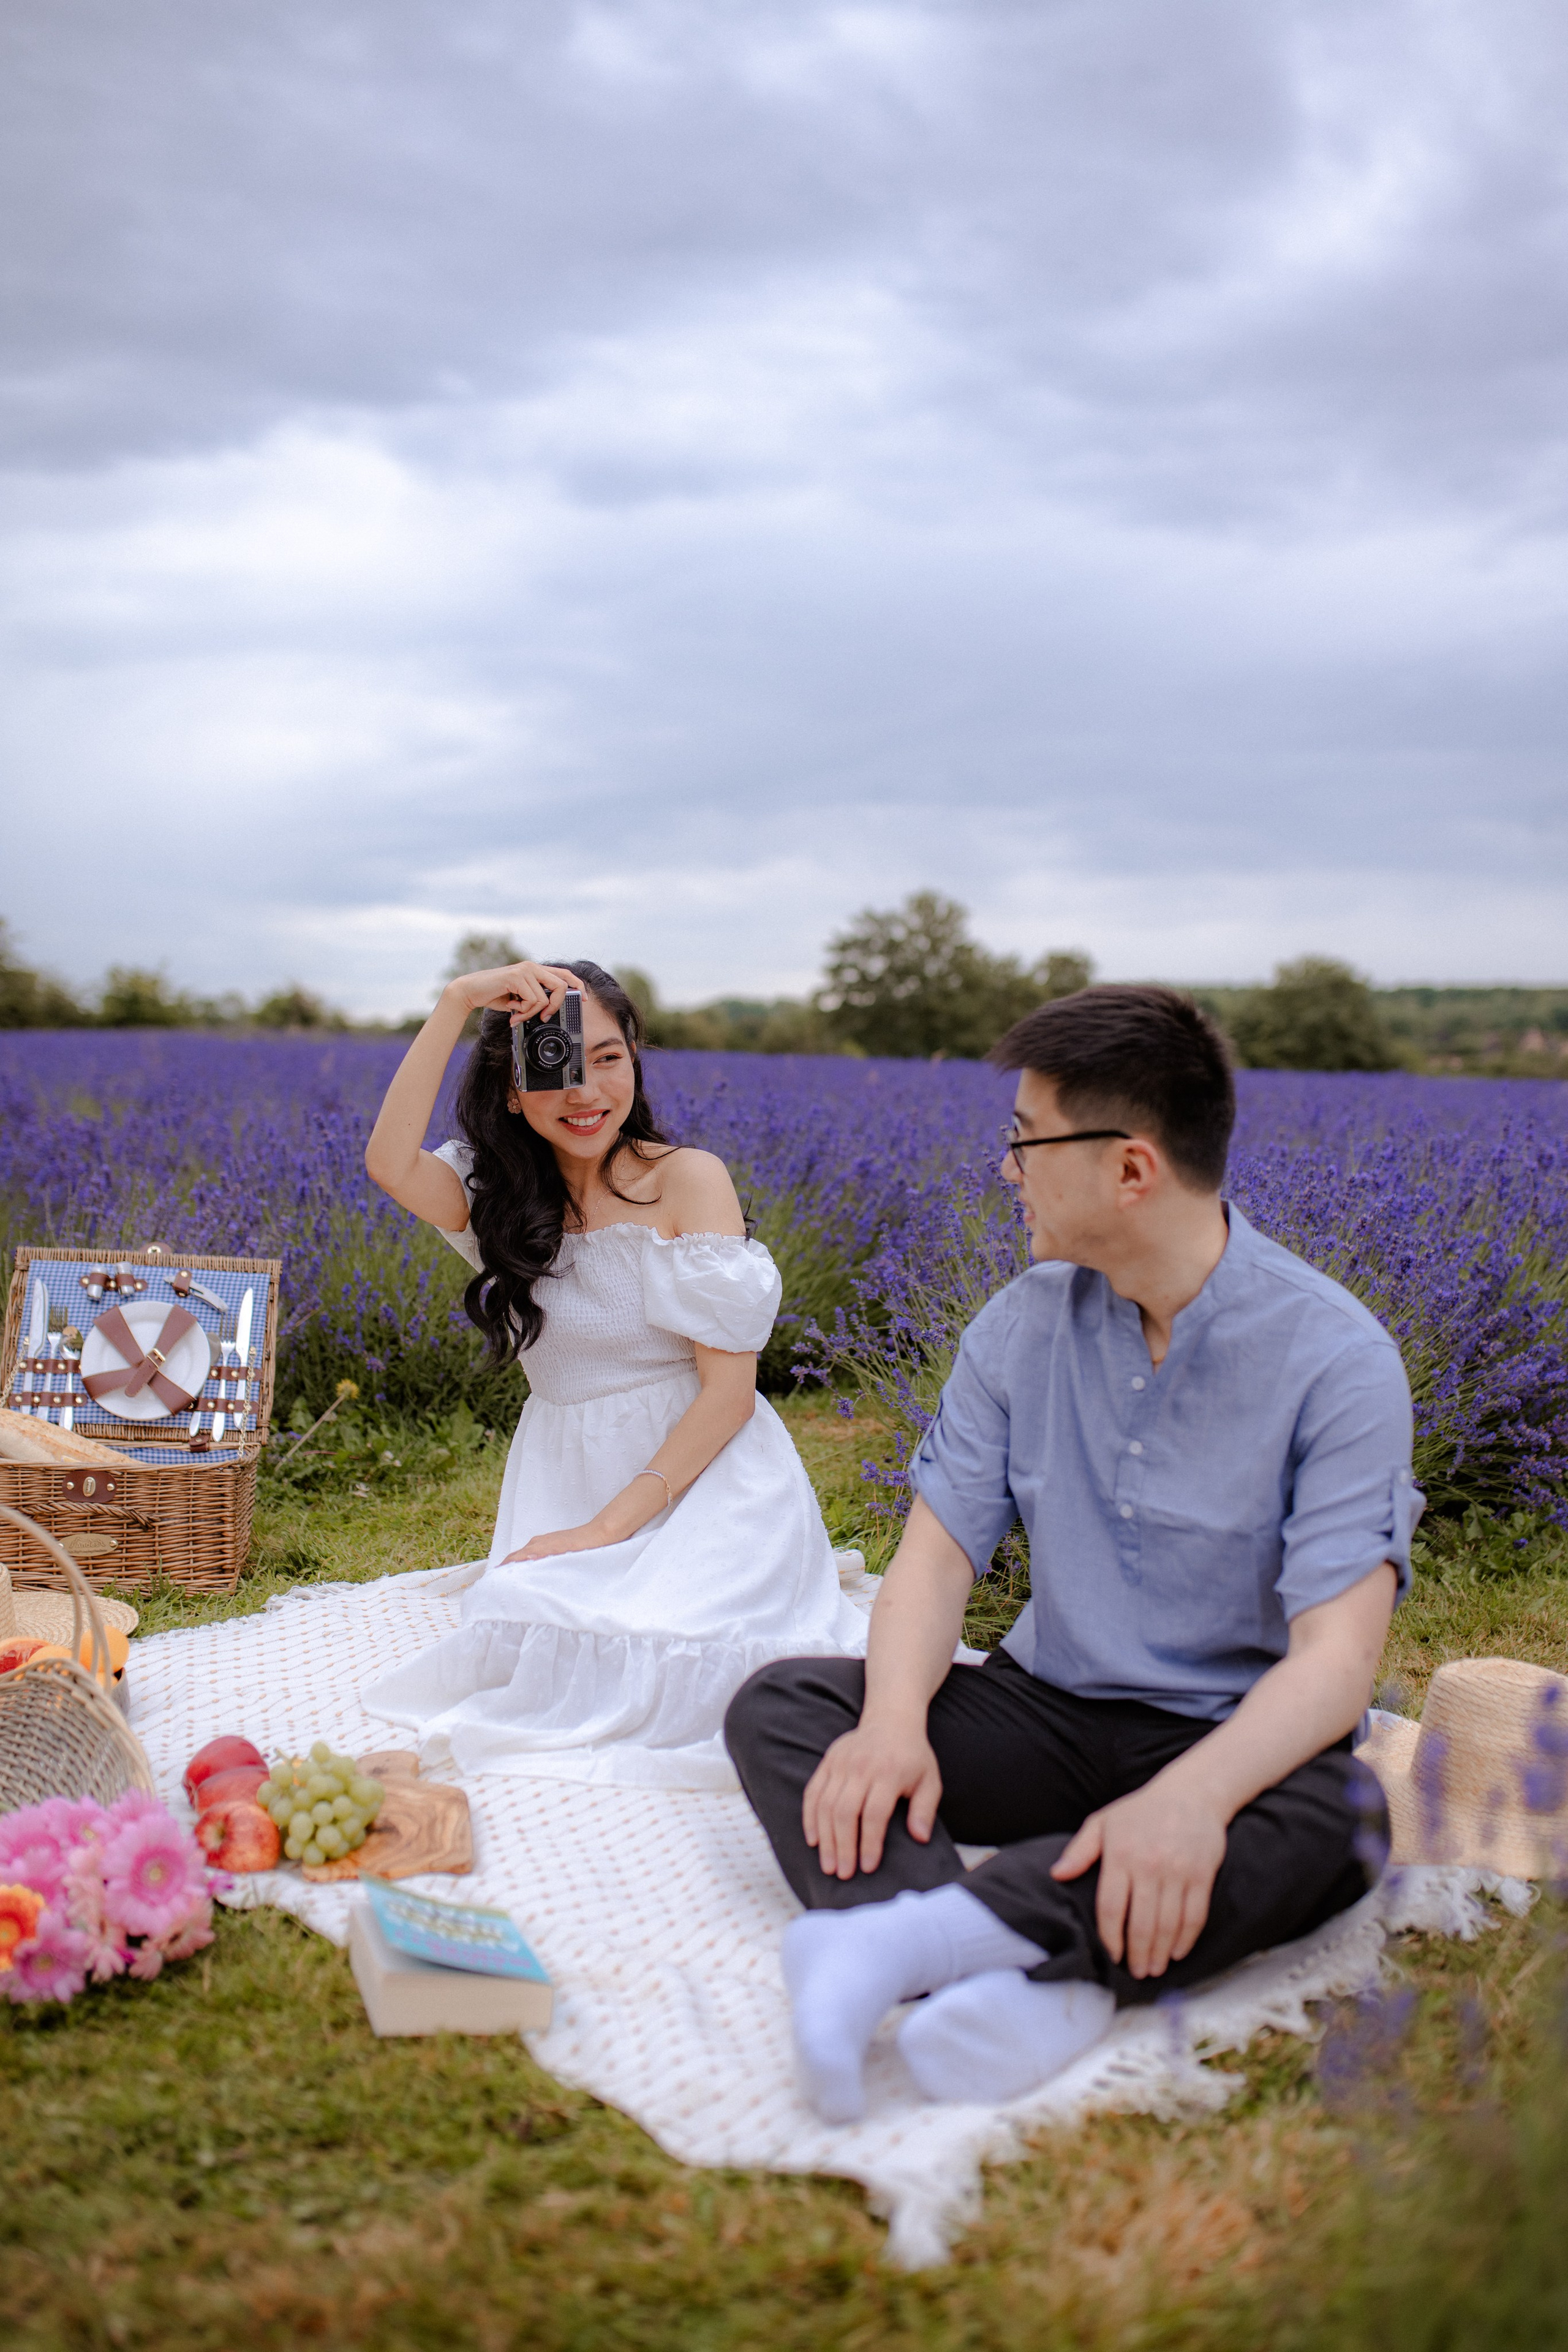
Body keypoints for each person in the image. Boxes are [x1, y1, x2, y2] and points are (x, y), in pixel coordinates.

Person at [725, 986, 1415, 2122]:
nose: (1008, 1169)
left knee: (1346, 1817)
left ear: (1130, 1169)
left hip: (1224, 1734)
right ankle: (1024, 1962)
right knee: (790, 1711)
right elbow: (934, 1566)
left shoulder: (1337, 1359)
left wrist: (1193, 1800)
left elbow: (1338, 1661)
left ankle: (923, 1943)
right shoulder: (1019, 1323)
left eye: (1025, 1140)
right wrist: (895, 1727)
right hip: (1049, 1708)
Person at [360, 954, 868, 1789]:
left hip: (706, 1476)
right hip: (568, 1474)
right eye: (555, 1065)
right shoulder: (496, 1195)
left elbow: (730, 1394)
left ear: (635, 1057)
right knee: (534, 1627)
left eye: (608, 1058)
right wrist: (458, 1001)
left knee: (688, 1652)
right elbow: (388, 1163)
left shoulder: (685, 1179)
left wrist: (607, 1530)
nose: (586, 1091)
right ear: (514, 1089)